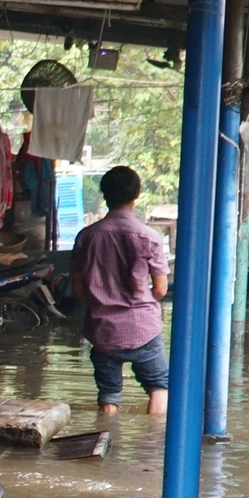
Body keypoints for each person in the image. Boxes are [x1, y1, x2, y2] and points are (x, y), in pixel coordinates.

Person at [68, 164, 171, 417]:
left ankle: (105, 435)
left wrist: (100, 304)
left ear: (105, 194)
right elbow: (160, 289)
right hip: (143, 328)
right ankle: (153, 444)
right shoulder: (149, 236)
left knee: (109, 395)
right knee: (160, 387)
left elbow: (79, 289)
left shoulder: (86, 237)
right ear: (136, 195)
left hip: (103, 331)